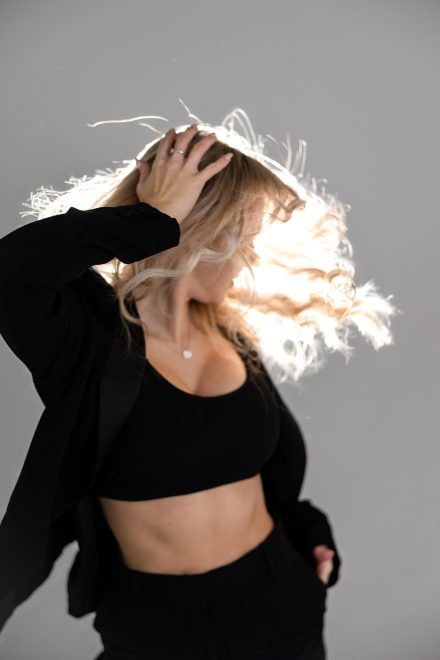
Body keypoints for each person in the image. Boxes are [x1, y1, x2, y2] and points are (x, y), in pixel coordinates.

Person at [0, 110, 397, 658]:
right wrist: (154, 215)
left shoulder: (230, 335)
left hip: (280, 599)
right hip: (155, 624)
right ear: (204, 232)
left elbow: (254, 474)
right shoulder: (85, 337)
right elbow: (12, 269)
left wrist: (308, 533)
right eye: (247, 238)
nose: (252, 258)